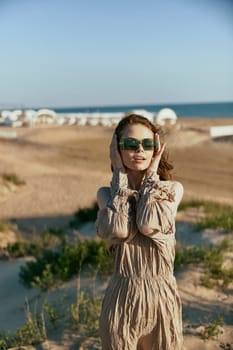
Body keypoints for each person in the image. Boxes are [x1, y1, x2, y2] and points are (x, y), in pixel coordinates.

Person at [96, 113, 184, 350]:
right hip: (121, 298)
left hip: (161, 298)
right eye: (130, 144)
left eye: (147, 144)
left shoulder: (171, 190)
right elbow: (119, 228)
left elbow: (147, 223)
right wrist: (119, 176)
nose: (139, 150)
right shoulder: (106, 195)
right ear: (116, 148)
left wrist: (151, 175)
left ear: (156, 149)